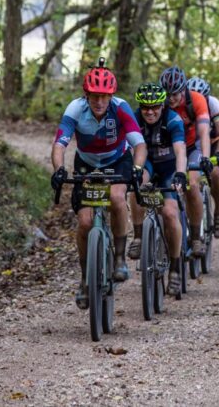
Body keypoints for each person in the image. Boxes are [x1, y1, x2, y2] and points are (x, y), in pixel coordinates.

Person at [50, 58, 147, 309]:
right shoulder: (75, 108)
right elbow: (60, 143)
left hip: (117, 160)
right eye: (95, 96)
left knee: (116, 198)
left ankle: (118, 259)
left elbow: (139, 144)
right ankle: (85, 279)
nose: (100, 101)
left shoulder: (121, 107)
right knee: (84, 222)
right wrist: (59, 170)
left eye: (104, 96)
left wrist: (137, 169)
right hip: (87, 164)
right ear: (87, 94)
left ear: (111, 95)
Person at [126, 82, 186, 296]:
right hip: (148, 164)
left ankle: (176, 267)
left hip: (170, 167)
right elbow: (128, 149)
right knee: (136, 184)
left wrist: (180, 173)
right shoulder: (133, 118)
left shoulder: (173, 120)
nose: (150, 112)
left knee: (170, 213)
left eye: (154, 107)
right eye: (145, 107)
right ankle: (139, 235)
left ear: (162, 106)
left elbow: (180, 151)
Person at [158, 65, 211, 258]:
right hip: (171, 148)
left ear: (184, 89)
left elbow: (204, 132)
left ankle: (196, 238)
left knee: (192, 183)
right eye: (167, 94)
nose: (171, 98)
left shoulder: (196, 100)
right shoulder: (160, 102)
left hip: (192, 147)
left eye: (175, 94)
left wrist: (205, 157)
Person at [187, 76, 219, 237]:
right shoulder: (183, 104)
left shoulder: (213, 104)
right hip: (191, 145)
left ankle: (218, 212)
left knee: (216, 173)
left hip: (211, 144)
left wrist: (218, 154)